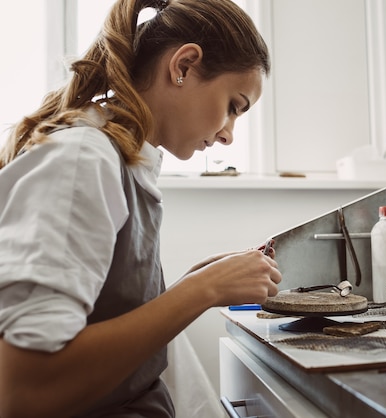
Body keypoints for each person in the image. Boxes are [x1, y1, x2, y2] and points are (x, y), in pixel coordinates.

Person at [0, 0, 281, 416]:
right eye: (233, 107)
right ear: (183, 65)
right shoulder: (83, 159)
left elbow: (101, 317)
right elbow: (23, 390)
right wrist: (200, 291)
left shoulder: (127, 160)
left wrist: (191, 284)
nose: (228, 136)